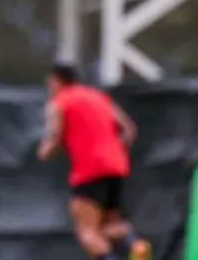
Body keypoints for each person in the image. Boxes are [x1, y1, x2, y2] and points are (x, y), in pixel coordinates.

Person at [38, 64, 150, 260]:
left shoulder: (59, 102)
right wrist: (113, 150)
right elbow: (129, 129)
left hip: (88, 171)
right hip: (116, 166)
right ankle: (136, 244)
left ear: (56, 81)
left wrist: (44, 152)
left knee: (87, 232)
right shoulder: (98, 96)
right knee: (111, 225)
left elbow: (55, 136)